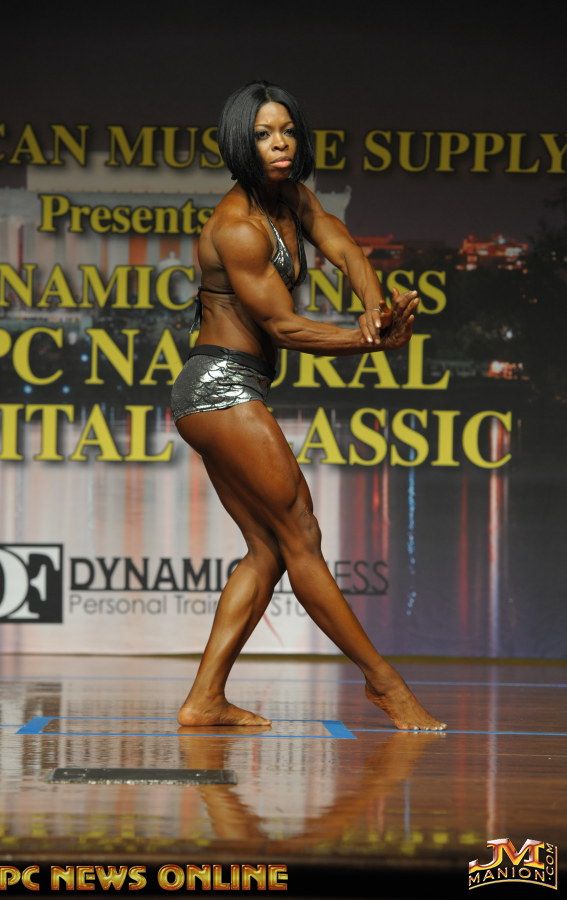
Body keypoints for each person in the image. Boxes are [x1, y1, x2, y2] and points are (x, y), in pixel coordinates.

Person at [171, 81, 446, 731]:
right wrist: (370, 342)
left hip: (226, 389)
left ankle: (204, 701)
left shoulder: (293, 200)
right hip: (220, 388)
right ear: (240, 144)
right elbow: (285, 327)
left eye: (287, 131)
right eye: (264, 134)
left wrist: (374, 308)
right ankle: (385, 685)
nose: (280, 144)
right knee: (302, 535)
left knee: (266, 551)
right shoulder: (236, 228)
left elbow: (344, 248)